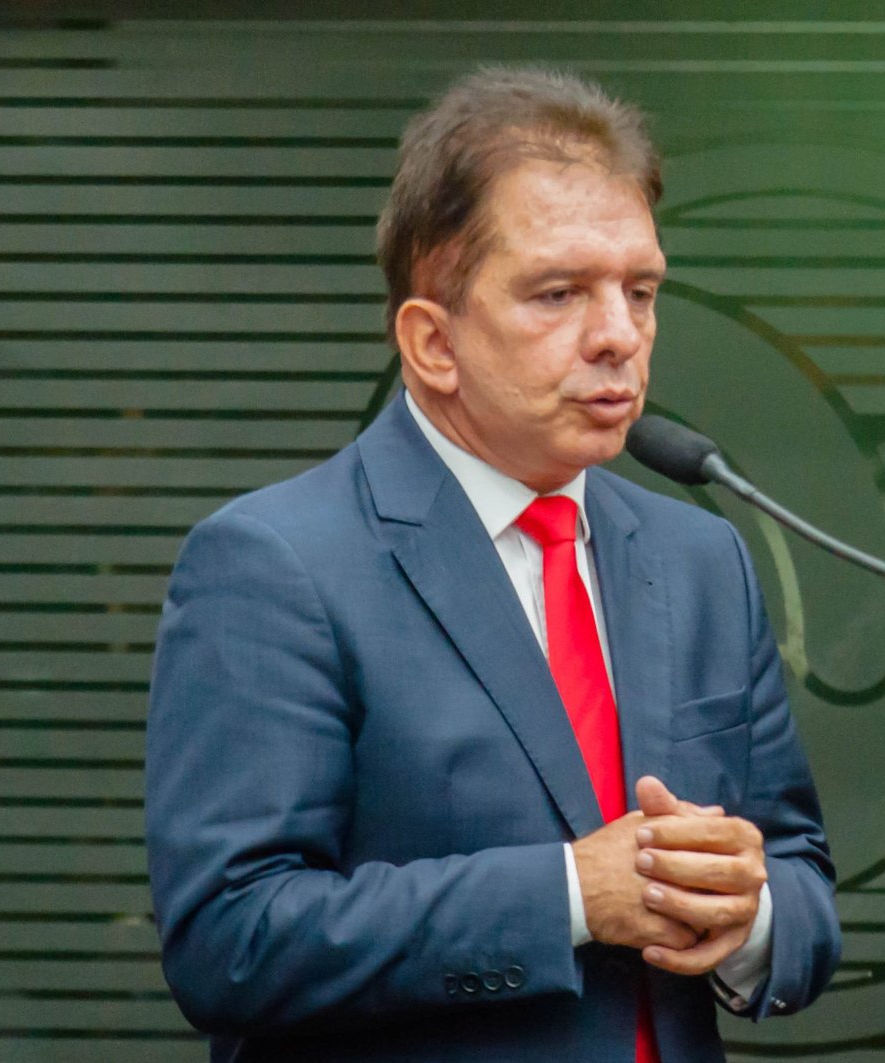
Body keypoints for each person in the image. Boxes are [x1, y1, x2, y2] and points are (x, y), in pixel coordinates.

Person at [144, 67, 840, 1062]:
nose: (619, 336)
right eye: (558, 293)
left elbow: (801, 876)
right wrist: (569, 895)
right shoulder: (276, 564)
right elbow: (231, 943)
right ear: (433, 342)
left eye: (641, 291)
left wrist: (750, 912)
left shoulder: (700, 558)